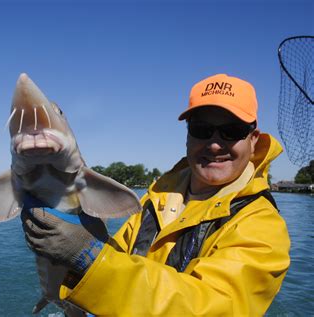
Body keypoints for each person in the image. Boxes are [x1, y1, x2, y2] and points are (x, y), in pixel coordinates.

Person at [21, 73, 290, 316]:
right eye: (201, 130)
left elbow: (212, 305)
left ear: (253, 139)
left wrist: (90, 258)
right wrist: (75, 263)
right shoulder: (157, 197)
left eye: (232, 131)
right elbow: (118, 258)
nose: (215, 144)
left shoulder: (262, 226)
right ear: (187, 136)